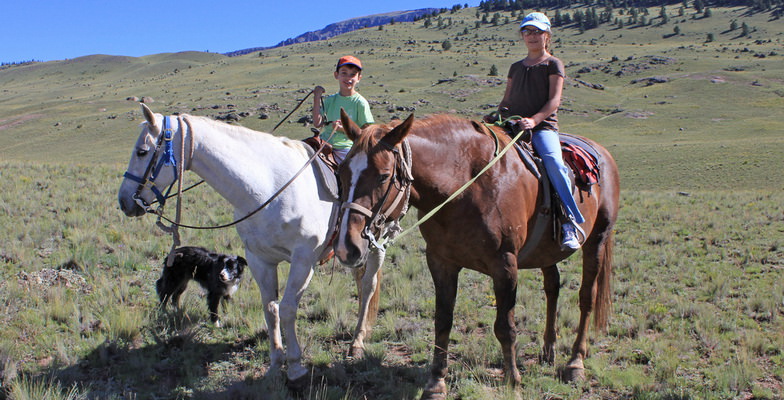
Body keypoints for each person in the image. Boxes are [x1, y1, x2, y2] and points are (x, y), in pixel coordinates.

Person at [496, 12, 585, 250]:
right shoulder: (515, 67)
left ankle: (568, 221)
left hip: (542, 128)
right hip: (513, 126)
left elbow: (553, 102)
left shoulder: (553, 64)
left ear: (547, 35)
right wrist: (498, 114)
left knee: (554, 164)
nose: (532, 36)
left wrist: (534, 121)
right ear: (522, 36)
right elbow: (507, 100)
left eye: (537, 32)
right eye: (527, 31)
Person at [312, 55, 375, 164]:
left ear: (359, 78)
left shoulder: (360, 102)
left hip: (346, 147)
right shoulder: (330, 100)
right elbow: (317, 123)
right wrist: (317, 97)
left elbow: (368, 132)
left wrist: (345, 130)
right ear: (336, 75)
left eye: (353, 74)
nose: (348, 78)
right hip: (323, 142)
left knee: (347, 173)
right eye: (344, 73)